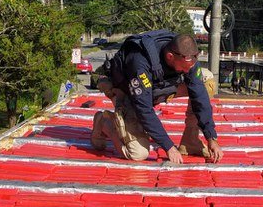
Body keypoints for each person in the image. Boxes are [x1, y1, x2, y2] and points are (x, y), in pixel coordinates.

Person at [91, 31, 223, 164]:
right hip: (129, 93)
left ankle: (191, 140)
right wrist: (169, 147)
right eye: (184, 67)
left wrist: (211, 137)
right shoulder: (140, 62)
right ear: (170, 56)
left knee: (206, 80)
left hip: (156, 89)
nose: (187, 71)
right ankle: (104, 122)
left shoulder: (186, 56)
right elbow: (143, 109)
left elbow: (199, 95)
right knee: (137, 153)